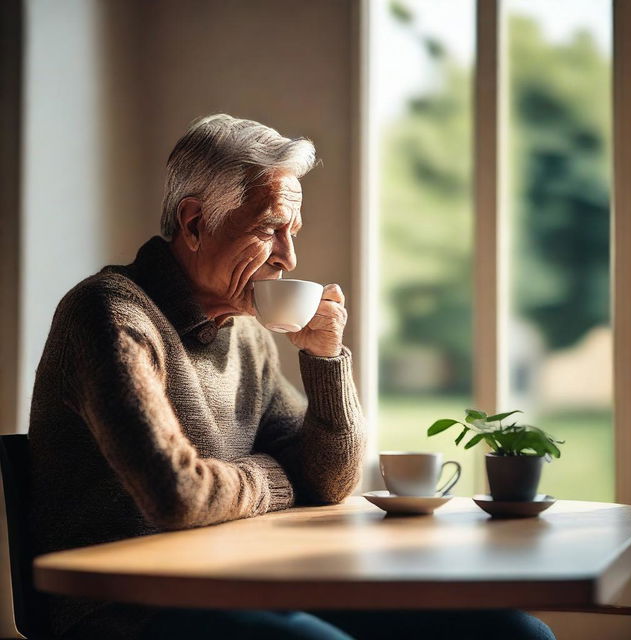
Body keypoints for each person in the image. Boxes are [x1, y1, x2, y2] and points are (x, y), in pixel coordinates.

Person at [28, 114, 554, 640]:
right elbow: (177, 495)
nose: (289, 257)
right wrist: (279, 476)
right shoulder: (110, 316)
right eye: (267, 230)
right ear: (193, 224)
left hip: (241, 582)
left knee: (516, 633)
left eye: (292, 233)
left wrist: (326, 359)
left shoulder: (245, 332)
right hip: (125, 610)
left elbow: (328, 481)